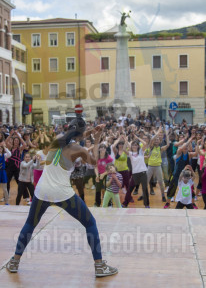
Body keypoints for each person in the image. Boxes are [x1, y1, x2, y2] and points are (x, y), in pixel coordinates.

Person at [6, 117, 118, 277]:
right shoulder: (79, 150)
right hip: (61, 193)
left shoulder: (57, 139)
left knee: (30, 224)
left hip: (42, 190)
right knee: (90, 223)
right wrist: (97, 138)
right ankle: (99, 266)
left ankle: (14, 262)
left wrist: (90, 132)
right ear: (81, 133)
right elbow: (93, 161)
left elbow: (72, 137)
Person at [122, 136, 149, 208]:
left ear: (138, 146)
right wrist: (126, 141)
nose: (134, 146)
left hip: (143, 173)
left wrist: (137, 137)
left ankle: (146, 205)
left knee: (145, 189)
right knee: (130, 189)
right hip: (135, 174)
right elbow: (124, 149)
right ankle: (125, 203)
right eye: (133, 145)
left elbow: (145, 143)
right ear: (131, 146)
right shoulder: (130, 153)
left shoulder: (141, 152)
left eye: (136, 145)